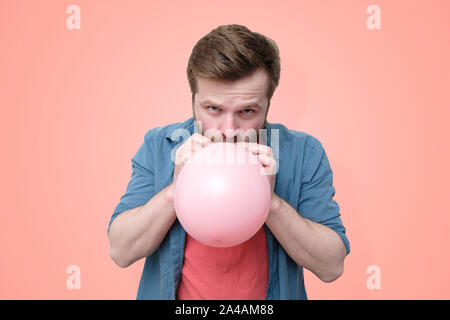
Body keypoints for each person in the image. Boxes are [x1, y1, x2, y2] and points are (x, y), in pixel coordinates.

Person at [107, 24, 350, 300]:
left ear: (268, 103)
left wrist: (270, 203)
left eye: (247, 111)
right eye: (214, 109)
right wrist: (176, 189)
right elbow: (121, 251)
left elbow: (331, 266)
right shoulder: (159, 145)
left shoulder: (304, 152)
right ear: (193, 100)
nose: (229, 129)